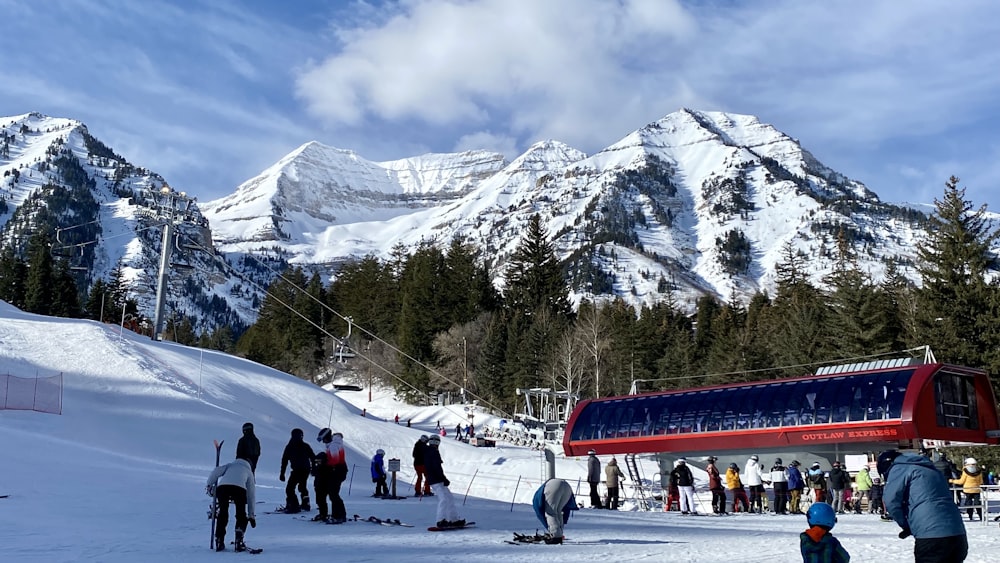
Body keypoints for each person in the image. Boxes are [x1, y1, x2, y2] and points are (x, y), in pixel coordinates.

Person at [880, 450, 968, 563]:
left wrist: (905, 525)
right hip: (957, 533)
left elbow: (891, 500)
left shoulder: (899, 468)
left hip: (931, 536)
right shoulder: (932, 469)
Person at [207, 454, 257, 552]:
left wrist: (209, 485)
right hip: (239, 489)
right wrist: (251, 515)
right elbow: (251, 495)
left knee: (223, 513)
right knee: (241, 514)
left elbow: (216, 471)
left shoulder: (230, 465)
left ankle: (219, 539)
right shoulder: (249, 472)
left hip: (223, 488)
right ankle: (239, 538)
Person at [424, 434, 465, 528]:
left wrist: (442, 478)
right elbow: (436, 467)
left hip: (436, 479)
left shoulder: (429, 451)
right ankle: (440, 520)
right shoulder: (433, 452)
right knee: (444, 499)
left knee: (449, 498)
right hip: (435, 480)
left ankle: (453, 519)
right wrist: (443, 478)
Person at [312, 428, 349, 524]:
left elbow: (335, 460)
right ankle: (334, 514)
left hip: (337, 471)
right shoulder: (333, 445)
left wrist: (324, 464)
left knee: (333, 493)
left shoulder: (333, 446)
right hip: (336, 471)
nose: (323, 442)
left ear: (327, 438)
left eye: (324, 439)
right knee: (329, 492)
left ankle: (339, 515)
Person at [532, 478, 579, 544]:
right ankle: (559, 534)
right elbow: (565, 509)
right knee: (559, 511)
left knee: (551, 513)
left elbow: (540, 515)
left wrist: (549, 529)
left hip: (553, 487)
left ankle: (556, 537)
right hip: (567, 487)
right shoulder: (539, 494)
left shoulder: (536, 503)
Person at [278, 428, 314, 513]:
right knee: (302, 486)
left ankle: (294, 506)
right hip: (304, 469)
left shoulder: (291, 446)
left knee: (290, 488)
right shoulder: (303, 446)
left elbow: (284, 460)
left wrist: (282, 473)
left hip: (300, 470)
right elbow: (313, 457)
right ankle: (305, 504)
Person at [949, 457, 983, 521]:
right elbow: (981, 482)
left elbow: (961, 481)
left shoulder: (965, 471)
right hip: (977, 489)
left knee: (968, 503)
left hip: (968, 490)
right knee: (977, 503)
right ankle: (981, 516)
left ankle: (970, 516)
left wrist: (952, 481)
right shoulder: (979, 471)